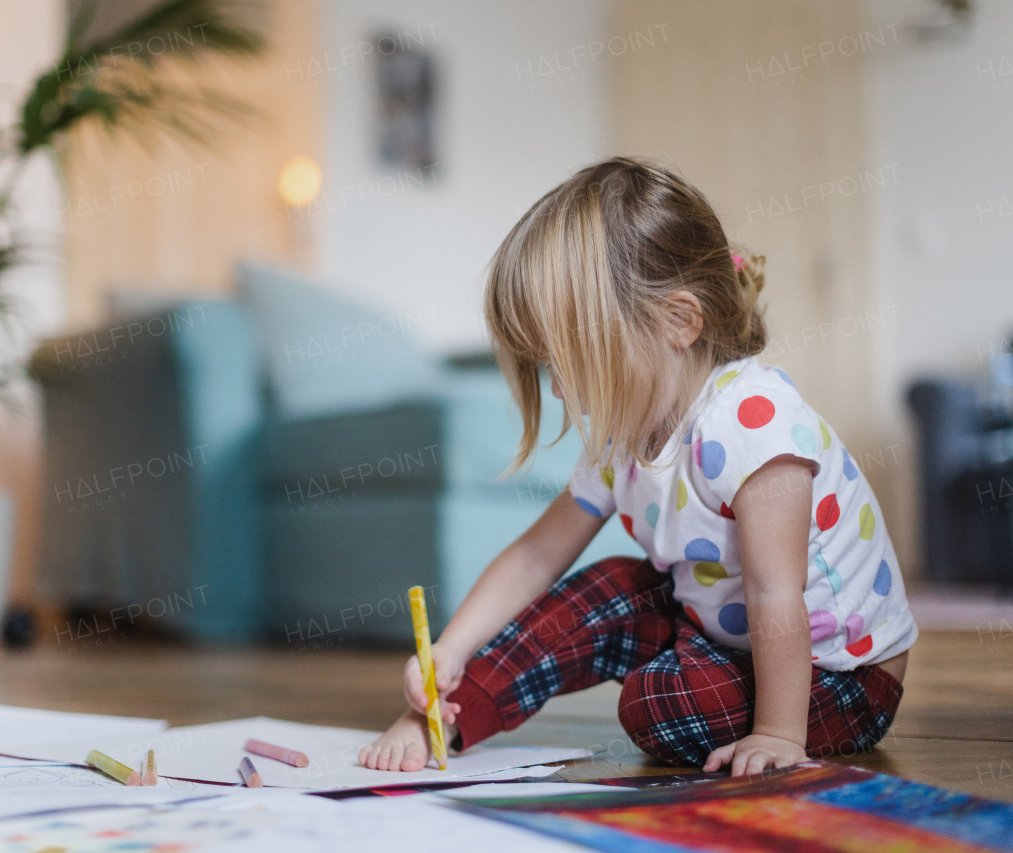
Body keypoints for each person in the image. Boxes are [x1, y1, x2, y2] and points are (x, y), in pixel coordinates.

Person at [360, 157, 917, 776]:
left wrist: (778, 736)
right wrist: (450, 649)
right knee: (608, 585)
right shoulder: (626, 431)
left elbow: (774, 592)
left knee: (657, 705)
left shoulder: (752, 424)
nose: (564, 393)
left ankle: (743, 705)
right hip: (721, 632)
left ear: (678, 321)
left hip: (837, 676)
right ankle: (444, 720)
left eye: (575, 360)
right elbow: (535, 557)